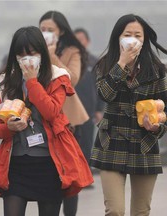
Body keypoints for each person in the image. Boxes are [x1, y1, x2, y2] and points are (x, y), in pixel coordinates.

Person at [0, 26, 93, 216]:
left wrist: (31, 82)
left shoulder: (57, 77)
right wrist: (9, 128)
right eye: (20, 54)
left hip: (50, 163)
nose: (26, 59)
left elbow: (52, 112)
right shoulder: (4, 82)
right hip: (16, 164)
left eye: (31, 53)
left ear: (42, 52)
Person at [90, 14, 167, 216]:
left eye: (137, 35)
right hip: (111, 143)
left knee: (141, 211)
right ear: (118, 37)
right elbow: (105, 94)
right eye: (127, 34)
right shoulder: (105, 65)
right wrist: (122, 63)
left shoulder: (157, 70)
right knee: (115, 210)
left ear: (144, 40)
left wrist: (157, 127)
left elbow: (164, 109)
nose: (132, 39)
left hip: (144, 145)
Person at [39, 11, 89, 216]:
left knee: (69, 172)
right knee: (48, 173)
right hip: (44, 116)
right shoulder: (34, 49)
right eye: (42, 29)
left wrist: (52, 58)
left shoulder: (72, 50)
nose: (46, 33)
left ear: (60, 31)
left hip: (68, 119)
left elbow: (73, 79)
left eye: (50, 30)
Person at [74, 27, 105, 164]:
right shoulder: (67, 61)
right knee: (72, 144)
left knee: (87, 142)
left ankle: (85, 175)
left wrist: (99, 109)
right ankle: (72, 177)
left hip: (89, 110)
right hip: (71, 110)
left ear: (87, 41)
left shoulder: (94, 62)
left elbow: (100, 87)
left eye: (81, 39)